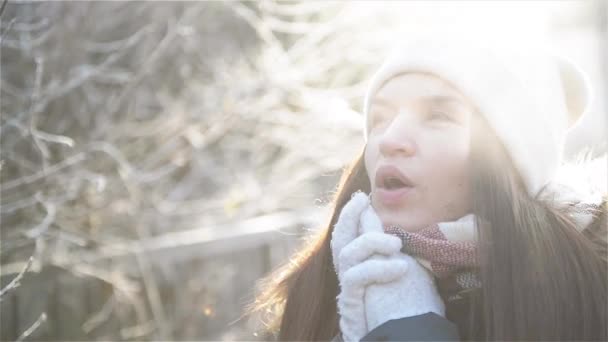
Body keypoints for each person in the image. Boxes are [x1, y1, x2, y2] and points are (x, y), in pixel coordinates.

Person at [245, 37, 607, 341]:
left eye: (438, 116)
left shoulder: (588, 294)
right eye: (380, 118)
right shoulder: (323, 287)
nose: (390, 139)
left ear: (509, 161)